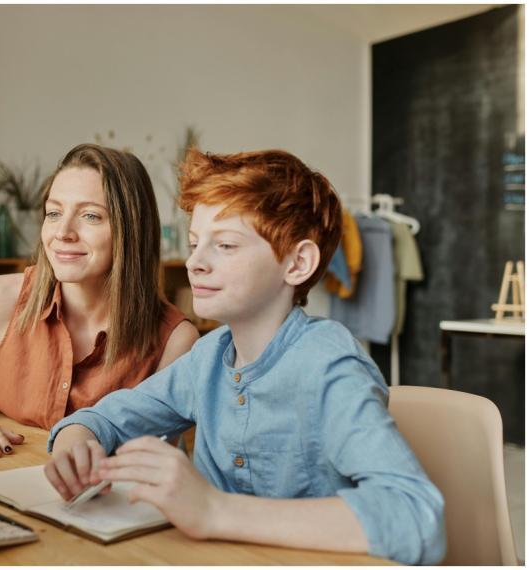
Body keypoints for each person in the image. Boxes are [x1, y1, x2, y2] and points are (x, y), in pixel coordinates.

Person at [44, 149, 445, 565]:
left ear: (298, 263)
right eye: (196, 244)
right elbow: (106, 418)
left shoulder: (329, 366)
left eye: (226, 245)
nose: (196, 263)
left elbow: (416, 517)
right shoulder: (209, 357)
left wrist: (214, 510)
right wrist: (76, 445)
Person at [0, 144, 199, 459]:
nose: (63, 232)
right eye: (54, 213)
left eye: (90, 215)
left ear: (132, 229)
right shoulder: (1, 298)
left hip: (99, 502)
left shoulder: (174, 340)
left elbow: (151, 460)